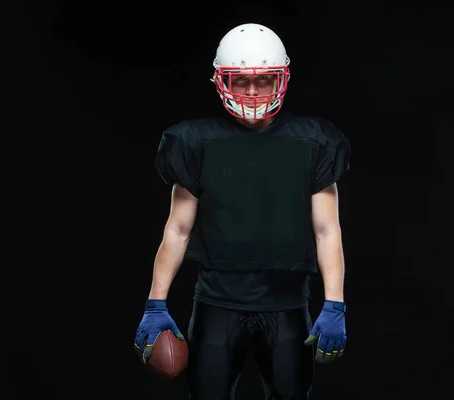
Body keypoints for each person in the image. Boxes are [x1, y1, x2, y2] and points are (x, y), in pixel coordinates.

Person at [134, 23, 351, 399]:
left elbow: (327, 230)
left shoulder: (314, 141)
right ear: (222, 82)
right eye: (240, 81)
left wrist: (335, 303)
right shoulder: (195, 142)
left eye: (263, 80)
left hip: (286, 307)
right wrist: (156, 302)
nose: (252, 92)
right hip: (217, 305)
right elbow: (178, 229)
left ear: (280, 79)